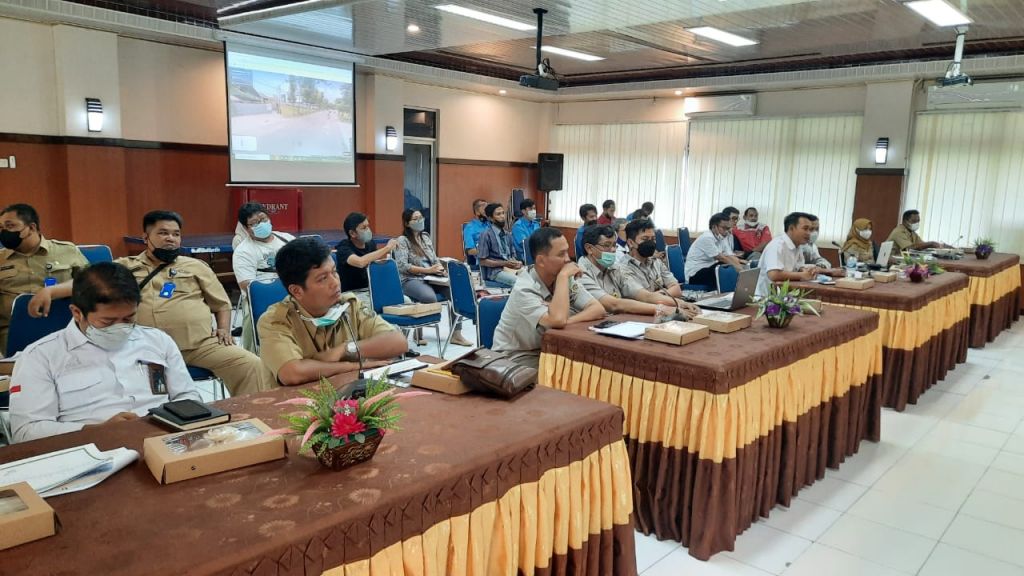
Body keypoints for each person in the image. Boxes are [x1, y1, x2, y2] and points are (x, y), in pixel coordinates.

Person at [31, 211, 273, 396]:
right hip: (145, 349)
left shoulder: (196, 267)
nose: (170, 238)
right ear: (146, 237)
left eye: (176, 234)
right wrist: (51, 290)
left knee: (250, 364)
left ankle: (253, 420)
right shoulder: (126, 266)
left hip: (199, 346)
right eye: (163, 233)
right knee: (147, 394)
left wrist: (223, 329)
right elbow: (89, 282)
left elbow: (221, 305)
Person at [10, 262, 201, 443]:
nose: (120, 328)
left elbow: (188, 396)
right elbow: (26, 431)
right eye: (107, 322)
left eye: (129, 318)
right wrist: (97, 431)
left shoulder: (157, 341)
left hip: (161, 440)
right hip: (86, 450)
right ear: (77, 313)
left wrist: (163, 421)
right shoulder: (41, 356)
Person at [259, 237, 408, 386]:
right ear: (296, 291)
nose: (335, 282)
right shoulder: (275, 320)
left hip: (347, 398)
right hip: (294, 404)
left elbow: (398, 342)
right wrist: (353, 366)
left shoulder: (348, 305)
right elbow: (292, 373)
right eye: (323, 278)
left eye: (334, 272)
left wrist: (345, 349)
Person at [492, 228, 605, 369]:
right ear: (541, 261)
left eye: (567, 251)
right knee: (569, 380)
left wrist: (568, 321)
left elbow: (597, 309)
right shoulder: (524, 288)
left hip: (550, 350)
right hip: (516, 357)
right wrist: (564, 277)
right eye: (561, 254)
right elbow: (557, 320)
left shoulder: (561, 277)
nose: (567, 259)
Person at [0, 203, 88, 353]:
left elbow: (91, 283)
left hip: (65, 330)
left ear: (32, 227)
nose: (4, 232)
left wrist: (52, 292)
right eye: (1, 228)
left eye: (10, 226)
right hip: (13, 335)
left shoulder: (66, 250)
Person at [579, 225, 698, 317]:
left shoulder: (614, 268)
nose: (613, 250)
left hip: (616, 322)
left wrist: (679, 303)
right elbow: (614, 304)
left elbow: (645, 296)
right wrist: (663, 309)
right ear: (589, 248)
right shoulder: (580, 273)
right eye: (607, 245)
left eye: (614, 245)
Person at [394, 209, 472, 347]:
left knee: (455, 292)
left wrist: (440, 269)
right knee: (429, 297)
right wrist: (427, 270)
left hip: (430, 276)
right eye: (415, 219)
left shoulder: (425, 236)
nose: (420, 221)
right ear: (407, 223)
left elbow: (434, 258)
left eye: (421, 217)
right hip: (410, 279)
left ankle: (456, 334)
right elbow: (402, 266)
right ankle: (419, 333)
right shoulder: (402, 240)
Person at [232, 202, 295, 352]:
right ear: (247, 229)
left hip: (295, 294)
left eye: (263, 219)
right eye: (254, 223)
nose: (261, 224)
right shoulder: (244, 251)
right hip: (264, 301)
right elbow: (248, 287)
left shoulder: (287, 239)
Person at [336, 212, 399, 305]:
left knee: (404, 300)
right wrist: (387, 248)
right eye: (364, 228)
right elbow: (360, 262)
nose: (368, 230)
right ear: (352, 233)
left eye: (368, 226)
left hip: (370, 291)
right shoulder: (343, 247)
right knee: (374, 305)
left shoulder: (371, 244)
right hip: (351, 294)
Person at [756, 212, 825, 297]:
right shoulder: (777, 245)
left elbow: (798, 267)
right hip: (765, 299)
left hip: (785, 297)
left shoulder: (797, 246)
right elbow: (774, 274)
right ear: (791, 228)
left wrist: (806, 271)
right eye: (805, 228)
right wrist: (802, 275)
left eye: (810, 229)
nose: (809, 233)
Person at [623, 218, 690, 298]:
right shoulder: (623, 268)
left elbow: (677, 290)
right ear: (631, 243)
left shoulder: (656, 262)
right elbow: (643, 299)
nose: (650, 243)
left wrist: (657, 295)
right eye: (645, 239)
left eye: (653, 239)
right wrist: (666, 292)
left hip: (663, 306)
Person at [685, 213, 746, 287]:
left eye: (728, 228)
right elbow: (721, 258)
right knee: (723, 266)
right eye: (724, 228)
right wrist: (741, 271)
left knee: (728, 266)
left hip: (708, 269)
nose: (727, 231)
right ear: (714, 227)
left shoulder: (722, 237)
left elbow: (730, 256)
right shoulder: (707, 237)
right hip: (695, 274)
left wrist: (742, 269)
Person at [477, 203, 522, 287]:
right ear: (490, 218)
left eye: (503, 213)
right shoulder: (485, 235)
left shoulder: (508, 234)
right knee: (520, 282)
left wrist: (517, 263)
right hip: (495, 272)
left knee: (533, 278)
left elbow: (512, 256)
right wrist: (504, 263)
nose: (502, 216)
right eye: (498, 214)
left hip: (509, 268)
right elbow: (482, 261)